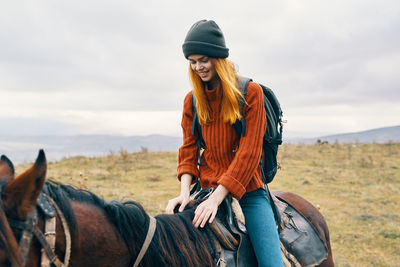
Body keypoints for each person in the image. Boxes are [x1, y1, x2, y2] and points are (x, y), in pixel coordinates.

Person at [166, 19, 284, 267]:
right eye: (192, 62)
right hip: (206, 188)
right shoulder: (193, 100)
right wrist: (184, 193)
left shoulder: (251, 93)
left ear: (218, 58)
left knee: (271, 264)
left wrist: (217, 198)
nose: (198, 67)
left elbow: (249, 153)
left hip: (249, 191)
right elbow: (188, 148)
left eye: (203, 60)